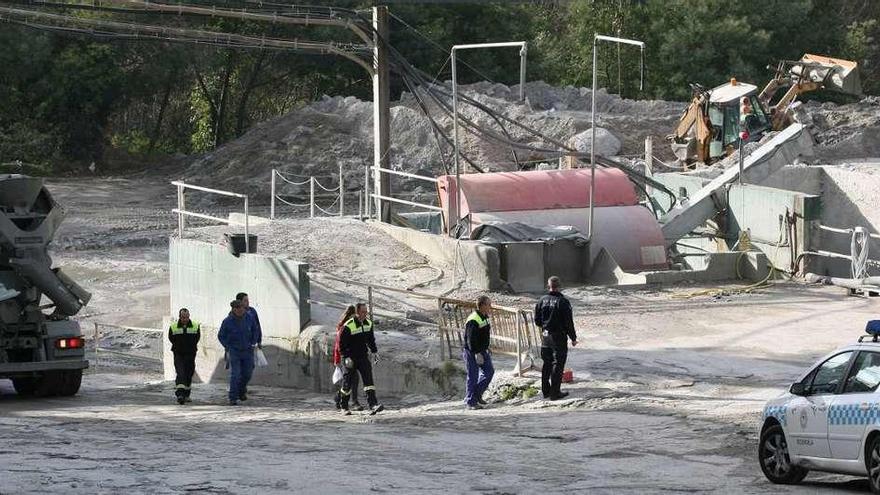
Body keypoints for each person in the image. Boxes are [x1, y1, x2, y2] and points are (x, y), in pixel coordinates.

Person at [534, 276, 578, 400]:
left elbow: (537, 321)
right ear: (560, 286)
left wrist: (546, 325)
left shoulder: (541, 300)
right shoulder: (563, 301)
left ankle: (546, 391)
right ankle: (555, 393)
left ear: (548, 286)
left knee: (546, 364)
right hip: (558, 337)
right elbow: (568, 322)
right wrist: (573, 338)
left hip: (545, 336)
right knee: (557, 365)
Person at [338, 303, 384, 415]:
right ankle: (343, 406)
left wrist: (374, 352)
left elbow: (371, 340)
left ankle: (373, 405)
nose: (365, 313)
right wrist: (346, 357)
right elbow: (341, 344)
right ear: (357, 313)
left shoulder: (368, 323)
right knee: (347, 384)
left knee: (369, 382)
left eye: (366, 311)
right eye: (363, 311)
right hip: (350, 358)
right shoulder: (348, 325)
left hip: (363, 357)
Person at [218, 299, 259, 405]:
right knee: (235, 374)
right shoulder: (227, 321)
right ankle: (233, 397)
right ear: (233, 309)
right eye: (238, 308)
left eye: (242, 308)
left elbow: (256, 330)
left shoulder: (249, 318)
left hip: (247, 350)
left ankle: (241, 390)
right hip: (234, 351)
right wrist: (227, 346)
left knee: (248, 373)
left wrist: (253, 342)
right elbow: (221, 335)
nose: (241, 310)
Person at [462, 295, 495, 410]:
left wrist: (487, 346)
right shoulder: (473, 319)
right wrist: (476, 353)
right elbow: (470, 339)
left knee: (489, 372)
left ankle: (476, 395)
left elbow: (483, 335)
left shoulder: (484, 316)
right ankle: (470, 402)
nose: (490, 307)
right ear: (482, 305)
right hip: (472, 352)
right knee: (473, 376)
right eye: (488, 304)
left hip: (482, 350)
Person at [168, 308, 200, 405]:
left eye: (186, 317)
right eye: (183, 317)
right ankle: (180, 395)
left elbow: (197, 338)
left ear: (189, 316)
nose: (185, 319)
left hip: (190, 354)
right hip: (179, 354)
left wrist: (190, 347)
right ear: (180, 317)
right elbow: (171, 338)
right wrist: (179, 347)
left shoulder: (195, 326)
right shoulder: (173, 327)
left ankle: (186, 395)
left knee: (188, 374)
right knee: (180, 373)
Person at [333, 305, 361, 411]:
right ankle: (353, 402)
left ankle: (339, 398)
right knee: (351, 379)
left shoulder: (356, 324)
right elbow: (338, 345)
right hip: (346, 357)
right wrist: (337, 360)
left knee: (351, 380)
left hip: (354, 357)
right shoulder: (344, 327)